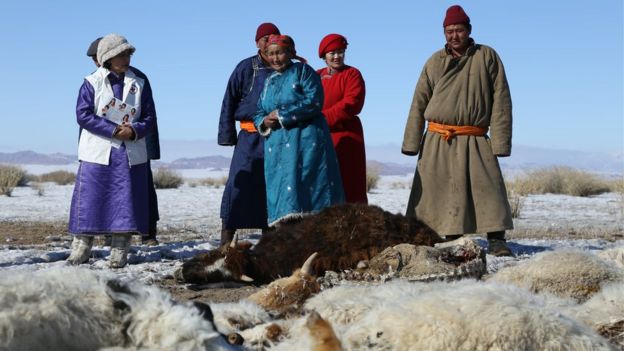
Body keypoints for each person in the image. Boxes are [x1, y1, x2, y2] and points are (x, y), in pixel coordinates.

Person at [401, 5, 514, 257]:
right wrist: (411, 141)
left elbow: (501, 100)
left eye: (459, 30)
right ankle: (449, 236)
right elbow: (419, 102)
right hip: (438, 138)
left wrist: (501, 142)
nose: (454, 36)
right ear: (444, 33)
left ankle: (496, 239)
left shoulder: (487, 56)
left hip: (474, 136)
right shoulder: (434, 61)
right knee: (439, 188)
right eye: (449, 31)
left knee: (489, 188)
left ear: (469, 31)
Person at [68, 33, 157, 268]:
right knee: (90, 199)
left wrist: (134, 130)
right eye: (121, 54)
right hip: (98, 151)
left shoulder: (139, 82)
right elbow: (83, 114)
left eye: (128, 53)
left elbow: (149, 116)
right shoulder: (91, 82)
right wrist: (113, 130)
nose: (126, 58)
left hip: (129, 150)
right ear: (108, 57)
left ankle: (120, 249)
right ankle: (82, 247)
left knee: (125, 200)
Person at [253, 34, 345, 225]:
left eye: (279, 53)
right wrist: (263, 121)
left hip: (305, 143)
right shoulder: (269, 80)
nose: (275, 58)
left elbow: (314, 101)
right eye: (271, 54)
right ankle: (287, 237)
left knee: (307, 190)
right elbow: (259, 109)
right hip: (277, 147)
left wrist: (280, 115)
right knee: (282, 190)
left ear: (290, 53)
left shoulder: (303, 71)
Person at [87, 37, 161, 246]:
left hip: (136, 141)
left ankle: (148, 231)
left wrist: (140, 138)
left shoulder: (138, 78)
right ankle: (111, 231)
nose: (96, 62)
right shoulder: (96, 80)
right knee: (108, 188)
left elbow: (148, 114)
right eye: (94, 59)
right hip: (106, 143)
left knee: (143, 188)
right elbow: (88, 115)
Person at [217, 22, 281, 245]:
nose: (269, 43)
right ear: (257, 42)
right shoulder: (246, 67)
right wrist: (227, 135)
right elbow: (229, 99)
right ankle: (226, 244)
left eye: (274, 39)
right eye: (265, 39)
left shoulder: (286, 67)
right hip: (249, 139)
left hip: (278, 139)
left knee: (272, 190)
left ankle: (270, 246)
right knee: (238, 187)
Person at [317, 34, 368, 204]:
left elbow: (351, 103)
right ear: (324, 56)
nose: (337, 56)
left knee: (349, 183)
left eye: (340, 52)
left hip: (347, 136)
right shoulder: (316, 76)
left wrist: (322, 119)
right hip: (320, 136)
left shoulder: (352, 74)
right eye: (332, 53)